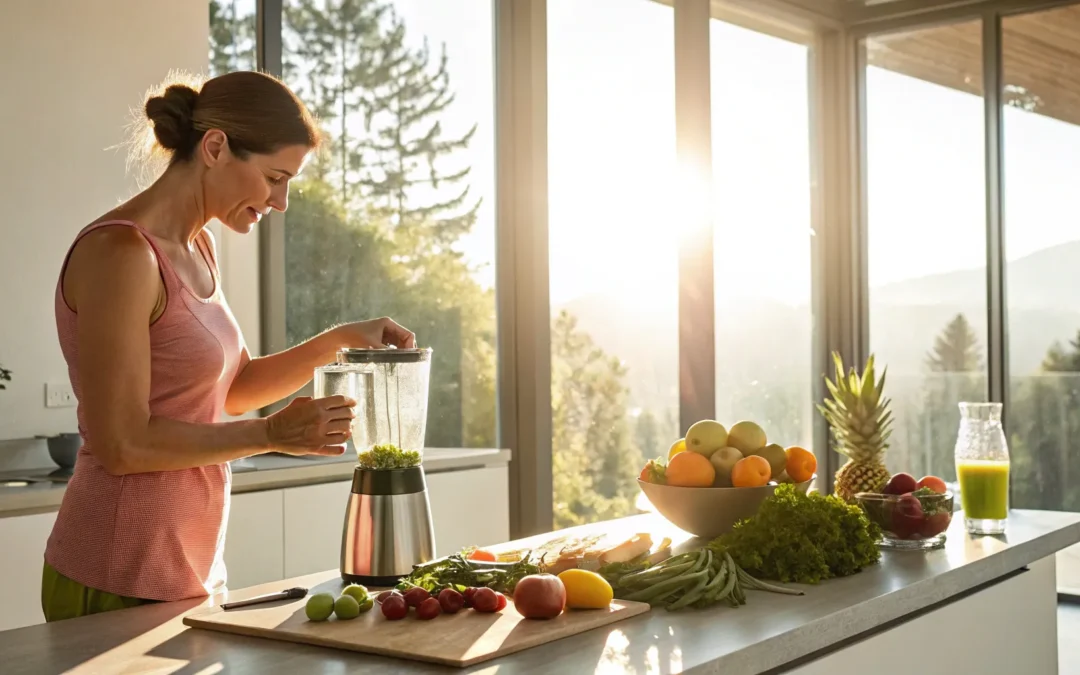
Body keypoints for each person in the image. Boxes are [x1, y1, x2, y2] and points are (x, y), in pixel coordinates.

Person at [40, 70, 415, 621]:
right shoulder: (120, 254)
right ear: (215, 147)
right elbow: (122, 444)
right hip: (115, 568)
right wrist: (270, 435)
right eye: (274, 177)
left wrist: (340, 339)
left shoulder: (198, 248)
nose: (281, 202)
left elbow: (233, 390)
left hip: (187, 566)